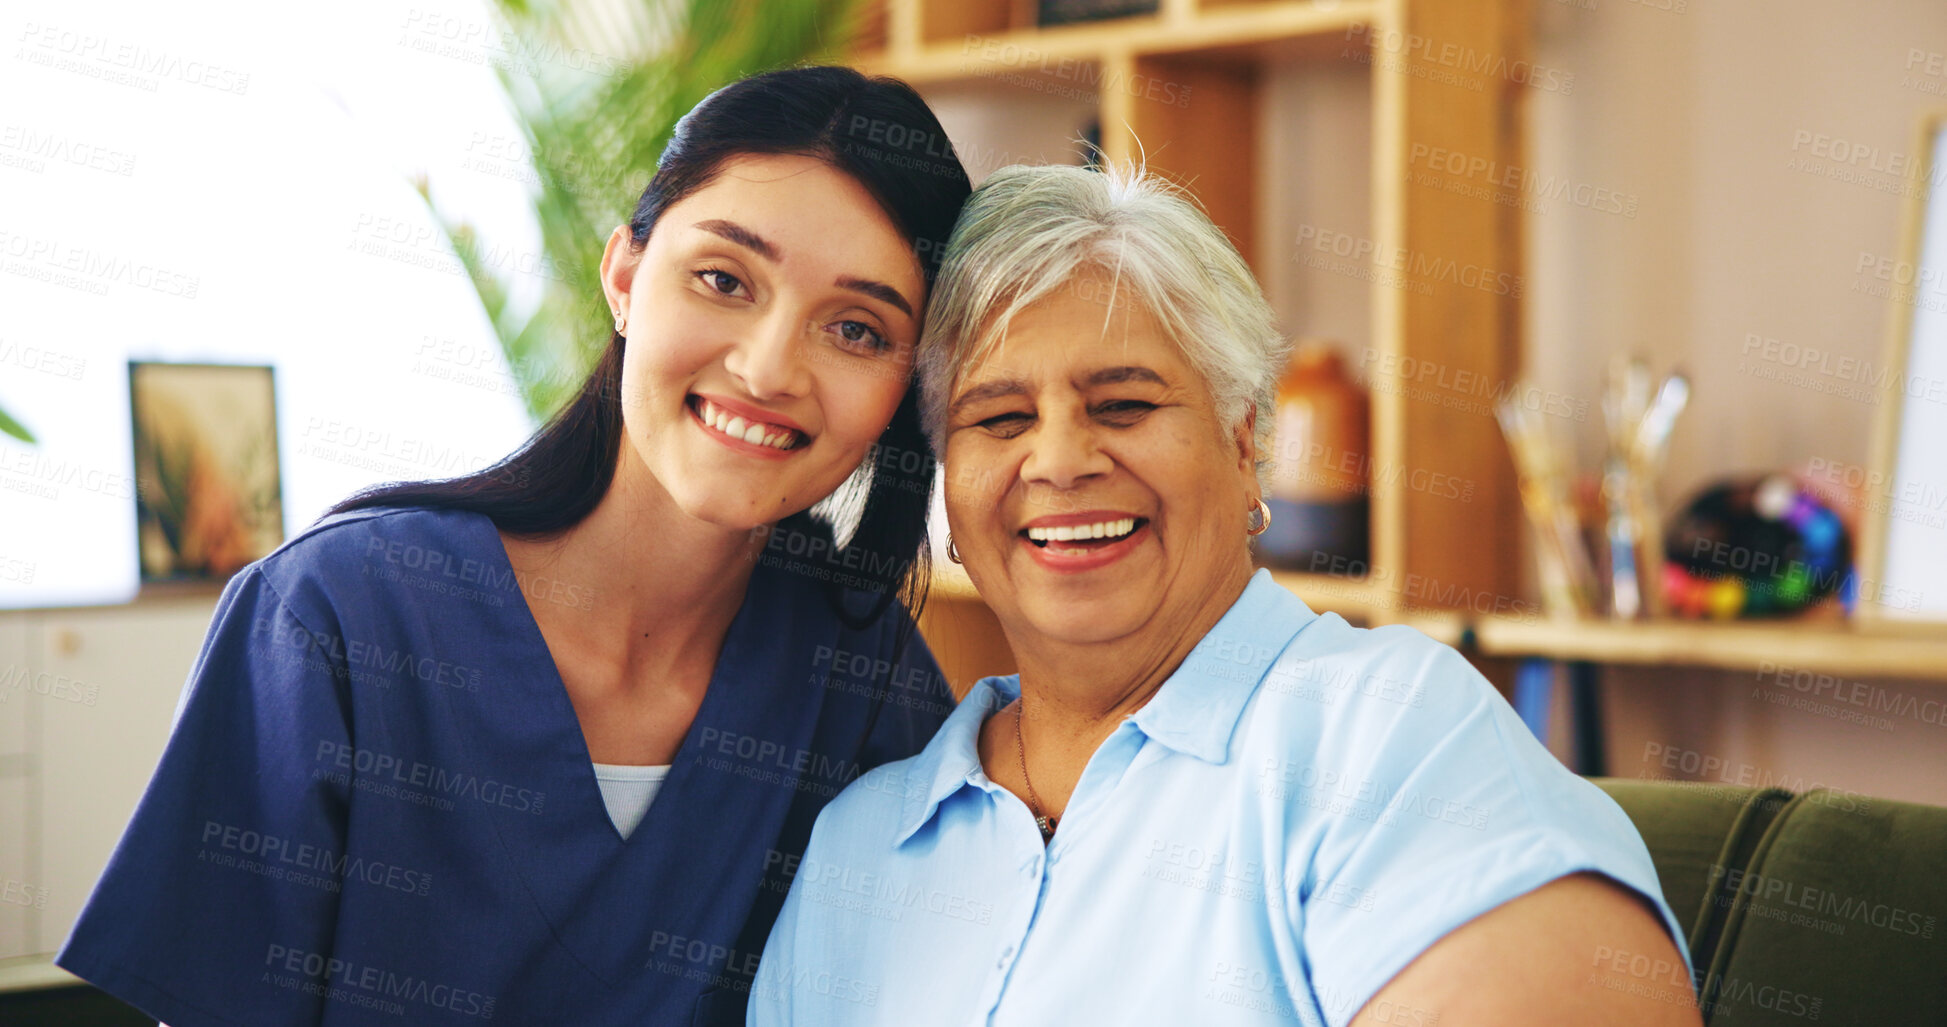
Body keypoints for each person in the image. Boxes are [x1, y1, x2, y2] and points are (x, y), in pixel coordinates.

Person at [57, 66, 971, 1027]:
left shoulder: (864, 681)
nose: (768, 367)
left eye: (857, 329)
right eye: (723, 279)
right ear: (623, 276)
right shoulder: (337, 617)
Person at [749, 164, 1702, 1026]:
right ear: (947, 494)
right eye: (999, 418)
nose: (1062, 460)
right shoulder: (858, 842)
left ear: (1245, 448)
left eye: (1123, 404)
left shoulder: (1385, 734)